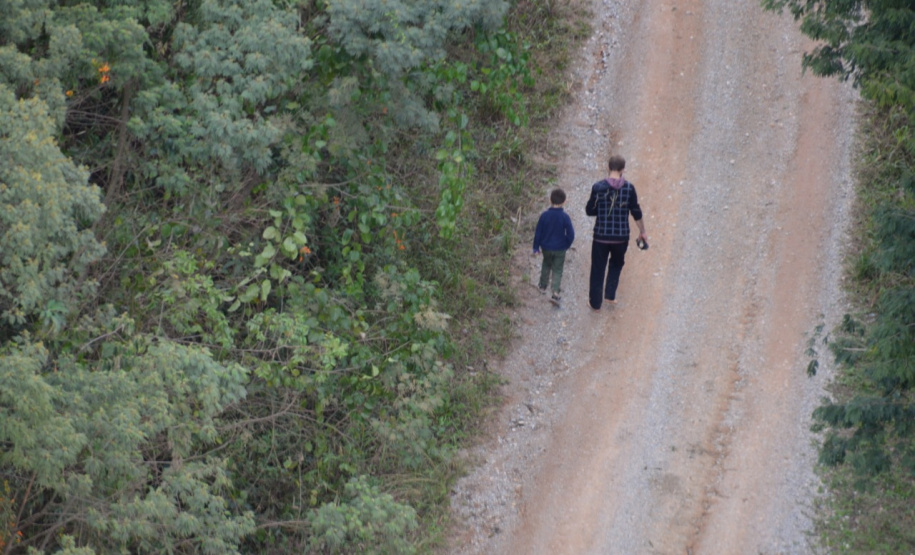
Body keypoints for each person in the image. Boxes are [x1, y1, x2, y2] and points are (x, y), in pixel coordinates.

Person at [585, 155, 648, 311]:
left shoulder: (598, 187)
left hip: (601, 236)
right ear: (622, 169)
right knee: (616, 264)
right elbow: (636, 212)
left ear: (608, 167)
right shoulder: (629, 188)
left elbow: (589, 210)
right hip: (621, 237)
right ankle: (610, 296)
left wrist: (601, 209)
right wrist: (643, 232)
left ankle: (595, 303)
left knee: (598, 268)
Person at [532, 188, 575, 306]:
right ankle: (555, 292)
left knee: (546, 264)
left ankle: (542, 286)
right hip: (560, 248)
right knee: (557, 269)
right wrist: (566, 244)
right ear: (564, 202)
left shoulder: (544, 216)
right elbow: (571, 234)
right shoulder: (565, 217)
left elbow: (538, 232)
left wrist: (536, 248)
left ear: (550, 200)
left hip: (546, 247)